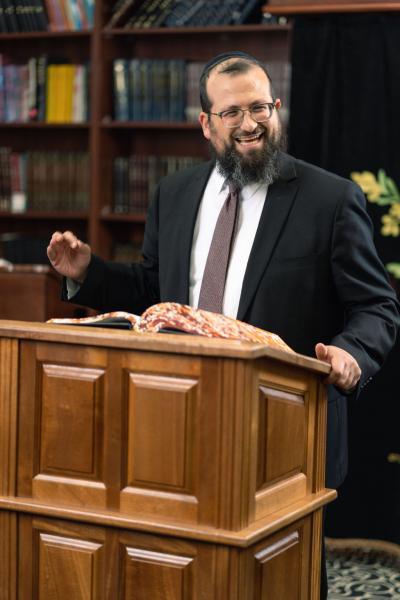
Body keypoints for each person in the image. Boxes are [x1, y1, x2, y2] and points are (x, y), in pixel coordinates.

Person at [47, 51, 399, 598]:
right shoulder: (173, 194)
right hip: (178, 415)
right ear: (206, 124)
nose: (249, 123)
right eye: (232, 112)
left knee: (285, 577)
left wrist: (351, 355)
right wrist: (88, 275)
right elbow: (156, 292)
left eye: (260, 107)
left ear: (276, 108)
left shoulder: (330, 199)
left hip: (286, 431)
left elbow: (376, 305)